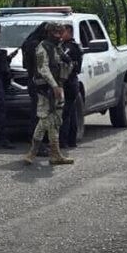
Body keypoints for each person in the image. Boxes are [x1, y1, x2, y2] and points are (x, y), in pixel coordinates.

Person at [23, 22, 74, 165]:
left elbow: (65, 64)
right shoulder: (42, 48)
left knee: (55, 121)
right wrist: (54, 86)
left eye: (61, 32)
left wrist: (66, 70)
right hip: (46, 90)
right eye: (57, 32)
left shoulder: (57, 48)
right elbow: (43, 69)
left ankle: (44, 153)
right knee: (47, 120)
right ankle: (41, 153)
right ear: (50, 32)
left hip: (58, 87)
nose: (60, 35)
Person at [58, 24, 83, 148]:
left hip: (69, 82)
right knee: (71, 112)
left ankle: (63, 141)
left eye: (62, 32)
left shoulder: (70, 47)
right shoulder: (72, 46)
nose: (60, 34)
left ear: (69, 32)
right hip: (72, 81)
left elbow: (63, 57)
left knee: (65, 113)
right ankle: (72, 140)